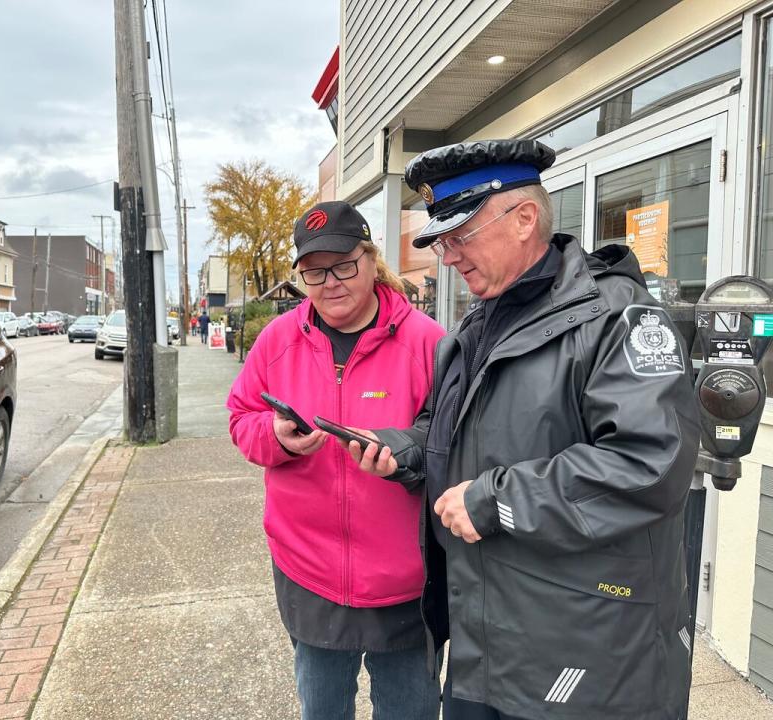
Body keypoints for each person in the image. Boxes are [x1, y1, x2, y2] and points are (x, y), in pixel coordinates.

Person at [345, 140, 700, 720]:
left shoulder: (615, 315)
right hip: (486, 643)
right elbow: (450, 427)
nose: (449, 256)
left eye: (460, 236)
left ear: (525, 218)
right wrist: (405, 450)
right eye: (442, 241)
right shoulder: (477, 324)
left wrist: (494, 500)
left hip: (586, 655)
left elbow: (650, 462)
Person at [227, 201, 446, 720]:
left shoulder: (427, 342)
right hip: (310, 574)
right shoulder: (277, 341)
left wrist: (402, 453)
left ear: (371, 260)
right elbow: (241, 418)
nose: (330, 283)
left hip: (406, 582)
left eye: (344, 265)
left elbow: (454, 437)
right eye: (314, 271)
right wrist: (275, 436)